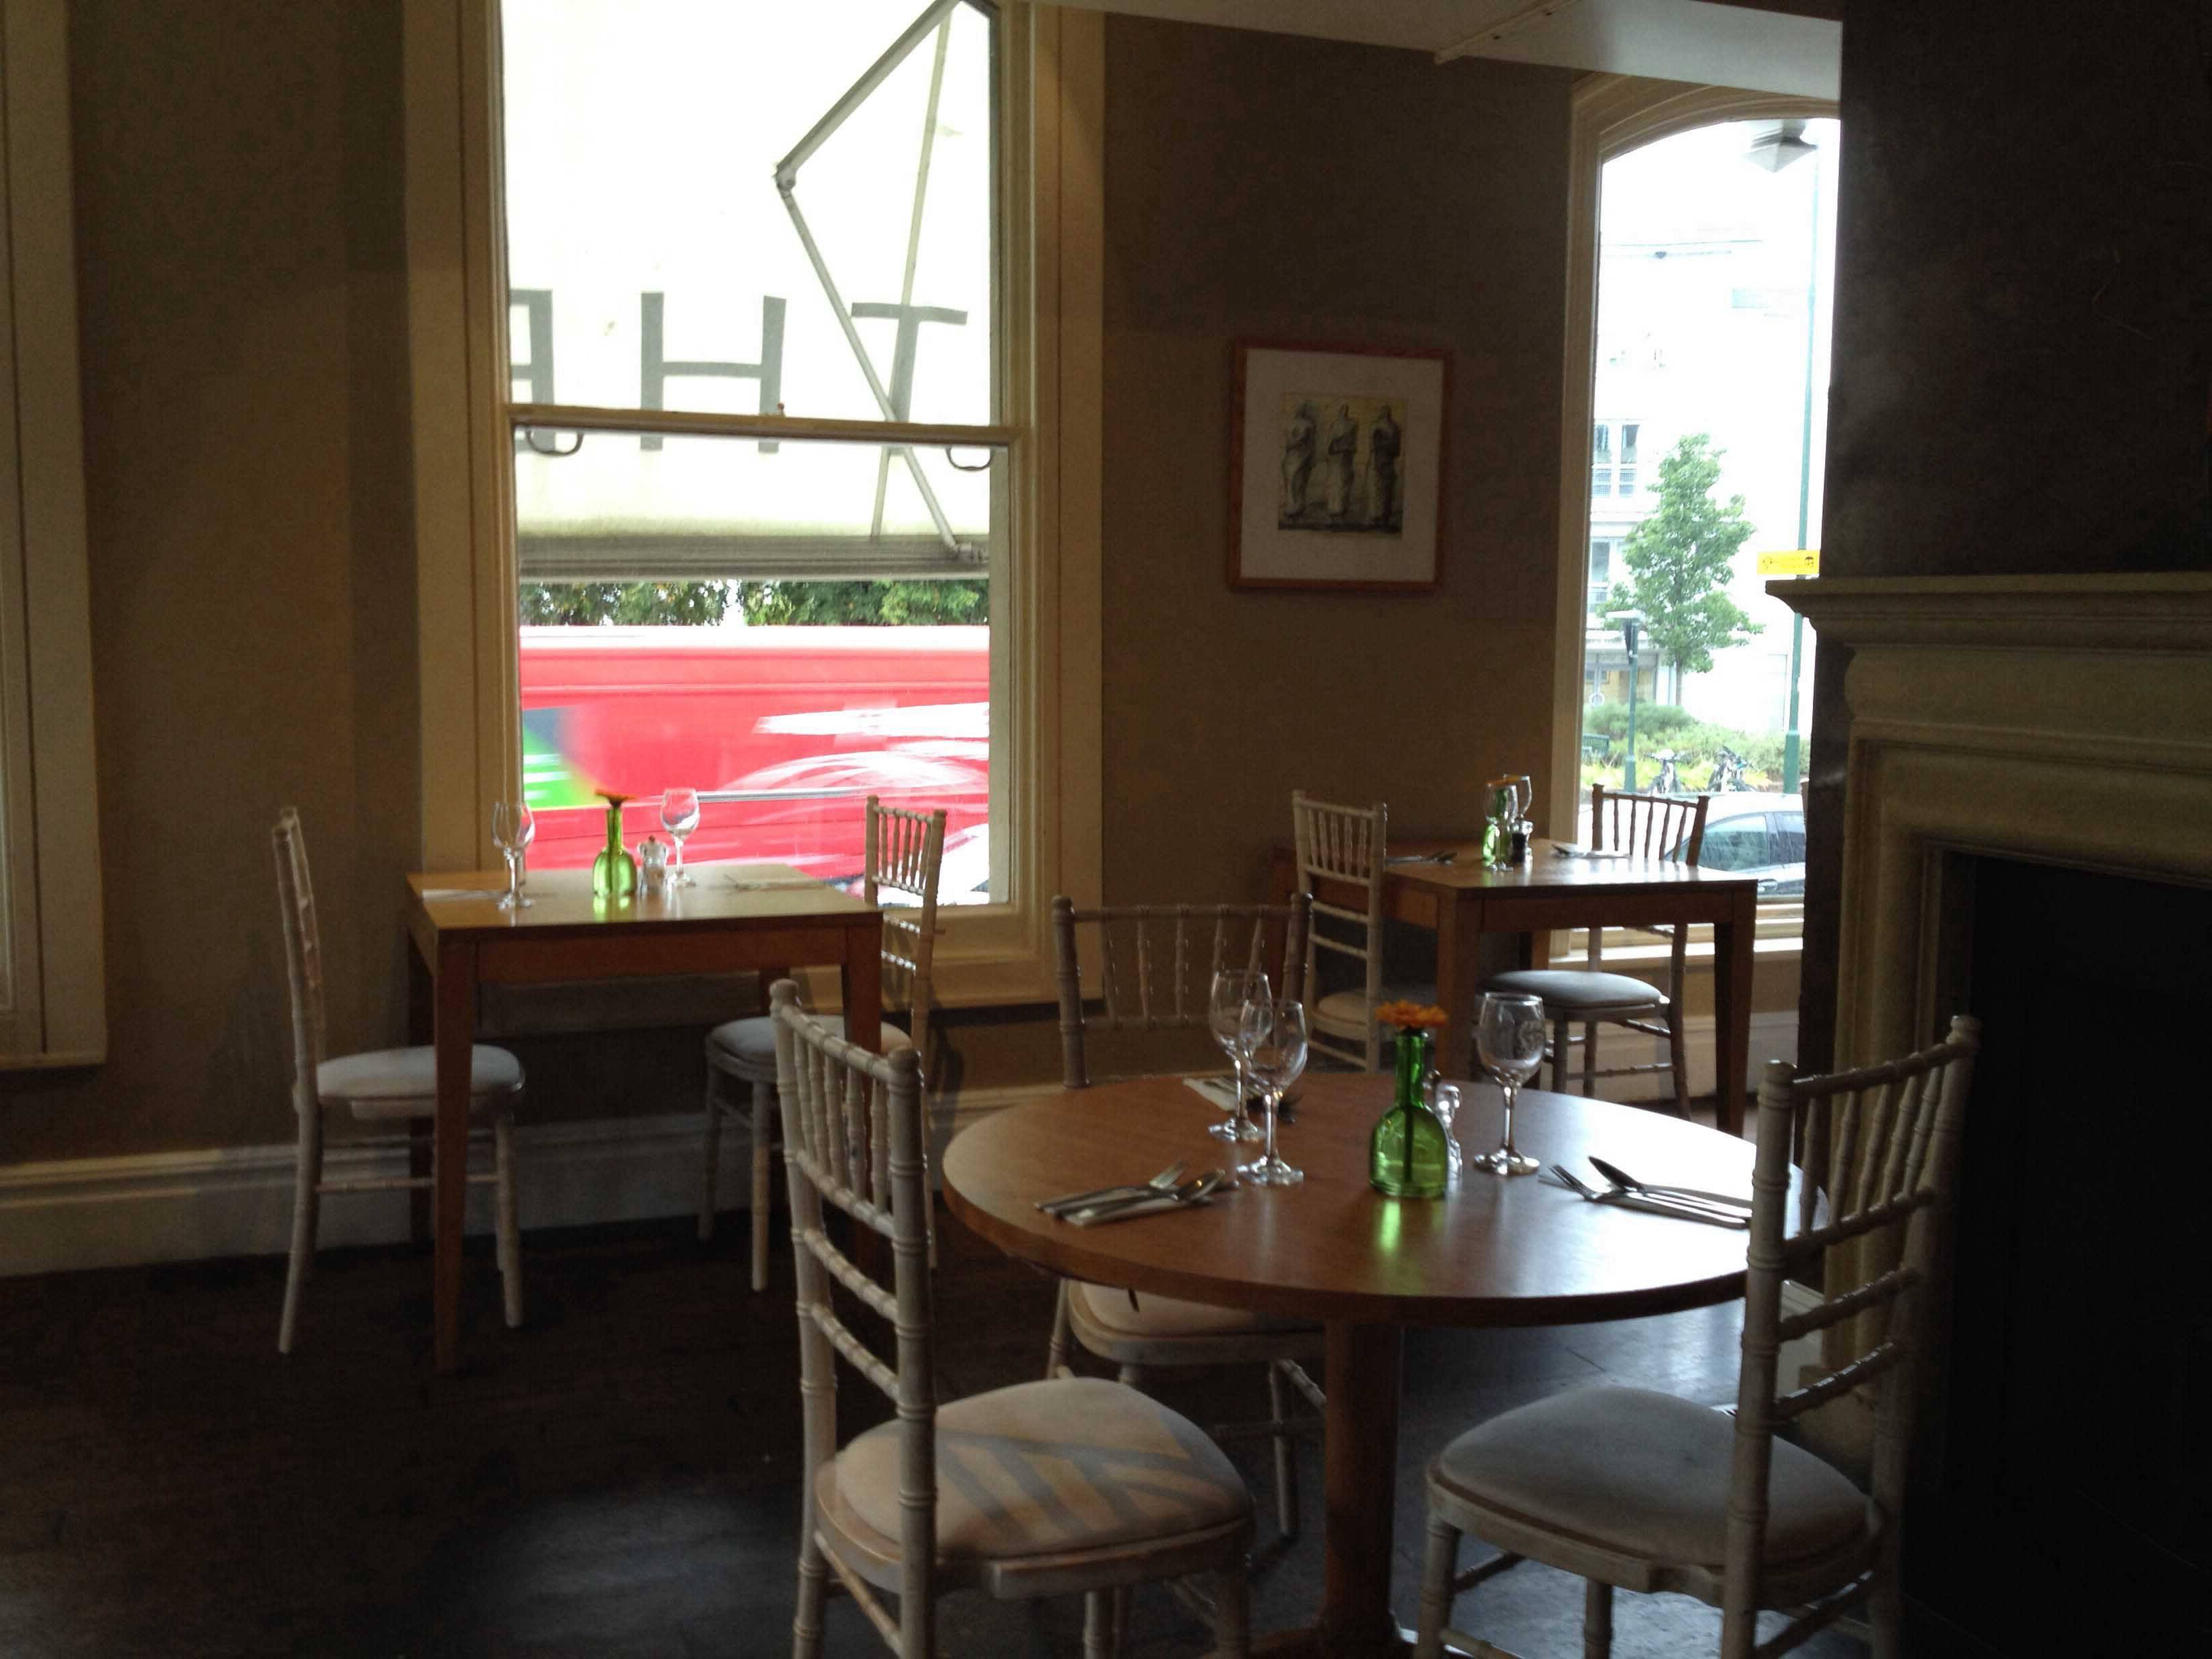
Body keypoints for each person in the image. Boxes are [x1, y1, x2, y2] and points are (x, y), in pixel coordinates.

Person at [1280, 402, 1317, 524]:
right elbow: (1288, 442)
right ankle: (1292, 510)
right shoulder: (1298, 424)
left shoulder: (1308, 424)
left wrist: (1310, 457)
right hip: (1294, 457)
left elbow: (1311, 444)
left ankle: (1296, 511)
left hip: (1301, 457)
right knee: (1293, 485)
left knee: (1299, 485)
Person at [1367, 403, 1401, 528]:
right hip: (1377, 462)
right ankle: (1376, 518)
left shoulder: (1394, 427)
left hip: (1386, 463)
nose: (1382, 413)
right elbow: (1372, 447)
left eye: (1384, 411)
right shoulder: (1376, 426)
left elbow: (1396, 450)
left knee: (1385, 491)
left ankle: (1383, 519)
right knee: (1377, 490)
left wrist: (1384, 446)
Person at [1324, 405, 1358, 523]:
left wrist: (1347, 448)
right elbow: (1329, 445)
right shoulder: (1334, 425)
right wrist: (1335, 447)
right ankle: (1333, 514)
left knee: (1344, 485)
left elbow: (1353, 444)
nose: (1344, 412)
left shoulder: (1353, 424)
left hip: (1346, 460)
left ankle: (1342, 513)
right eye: (1342, 410)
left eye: (1346, 410)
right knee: (1335, 485)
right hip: (1335, 461)